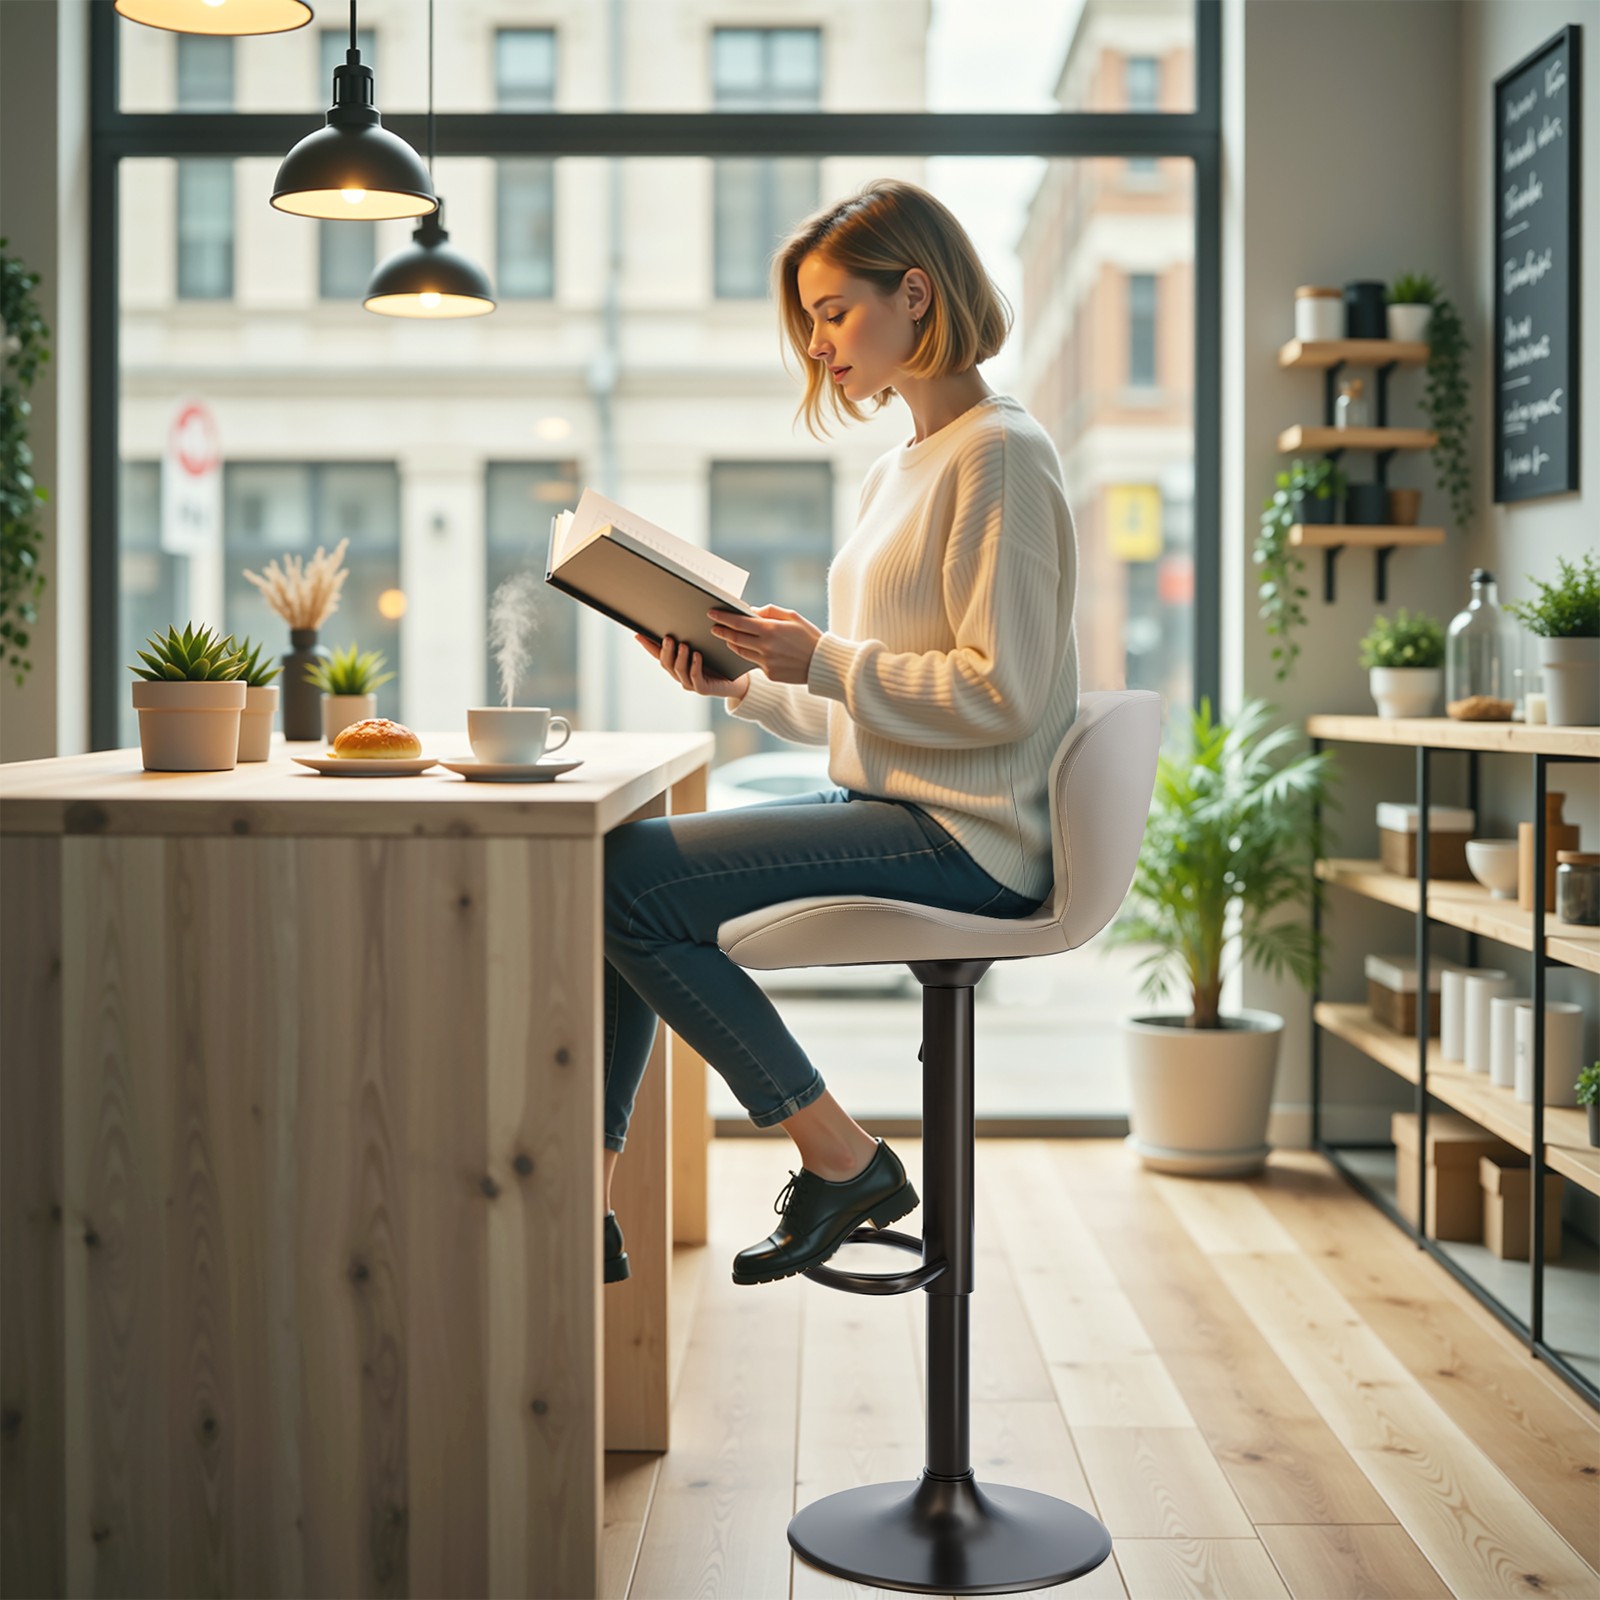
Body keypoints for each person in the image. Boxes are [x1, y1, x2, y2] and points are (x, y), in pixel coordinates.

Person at [600, 178, 1079, 1288]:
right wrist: (743, 680)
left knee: (621, 882)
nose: (817, 346)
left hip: (968, 838)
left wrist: (816, 656)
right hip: (900, 806)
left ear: (914, 293)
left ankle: (839, 1157)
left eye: (832, 311)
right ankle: (603, 1190)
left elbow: (1000, 696)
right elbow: (877, 700)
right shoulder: (895, 470)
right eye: (808, 320)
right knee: (619, 878)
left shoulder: (999, 453)